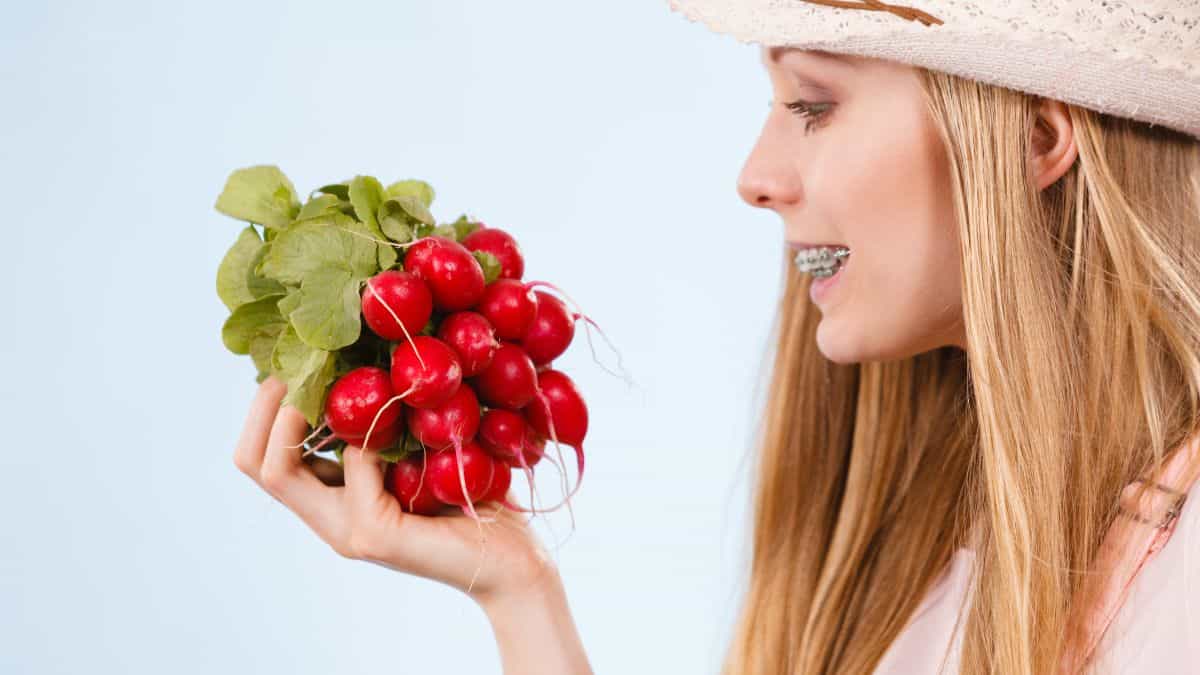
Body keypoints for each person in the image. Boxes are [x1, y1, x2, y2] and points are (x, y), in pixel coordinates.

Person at [232, 0, 1200, 673]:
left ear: (1036, 142)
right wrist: (515, 593)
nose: (755, 174)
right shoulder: (960, 559)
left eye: (812, 106)